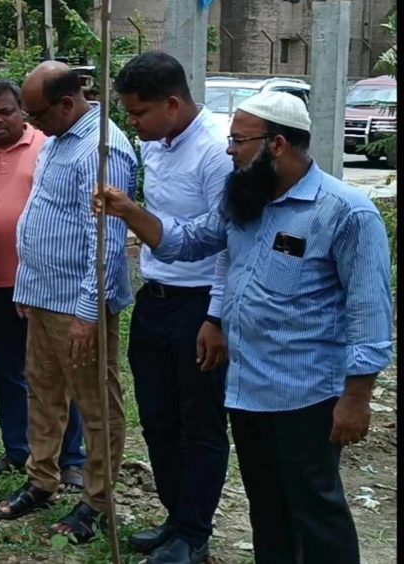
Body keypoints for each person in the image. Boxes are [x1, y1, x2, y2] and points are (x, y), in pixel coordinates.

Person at [97, 91, 393, 564]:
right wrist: (130, 211)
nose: (229, 150)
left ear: (277, 144)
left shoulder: (345, 213)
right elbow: (189, 242)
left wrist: (356, 399)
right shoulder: (245, 200)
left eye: (239, 141)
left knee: (314, 510)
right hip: (247, 389)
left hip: (307, 394)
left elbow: (369, 312)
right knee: (267, 509)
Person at [0, 61, 137, 546]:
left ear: (68, 103)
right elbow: (45, 216)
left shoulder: (102, 151)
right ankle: (42, 478)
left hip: (79, 307)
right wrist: (26, 286)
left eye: (36, 114)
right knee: (44, 392)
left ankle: (97, 501)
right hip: (43, 297)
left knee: (96, 404)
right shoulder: (59, 140)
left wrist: (88, 315)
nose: (30, 123)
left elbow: (107, 242)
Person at [113, 52, 231, 563]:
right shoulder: (155, 146)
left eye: (139, 113)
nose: (132, 124)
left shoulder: (216, 151)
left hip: (199, 304)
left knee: (199, 422)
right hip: (156, 297)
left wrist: (216, 317)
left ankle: (195, 533)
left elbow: (228, 241)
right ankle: (176, 517)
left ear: (173, 104)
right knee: (158, 417)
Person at [0, 81, 88, 491]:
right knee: (8, 371)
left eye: (6, 111)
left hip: (46, 286)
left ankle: (70, 458)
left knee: (58, 374)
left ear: (22, 111)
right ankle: (19, 450)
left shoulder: (48, 148)